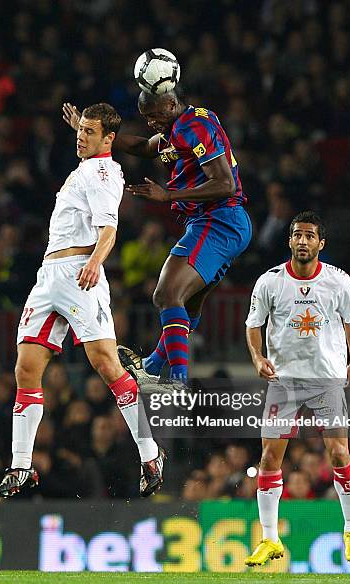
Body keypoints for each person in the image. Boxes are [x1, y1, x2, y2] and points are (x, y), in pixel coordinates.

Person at [0, 103, 165, 500]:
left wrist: (94, 263)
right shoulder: (88, 166)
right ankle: (21, 465)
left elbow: (109, 229)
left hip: (78, 272)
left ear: (109, 139)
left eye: (90, 131)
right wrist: (86, 129)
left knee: (106, 365)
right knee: (25, 369)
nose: (80, 136)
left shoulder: (105, 173)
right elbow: (92, 144)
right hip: (48, 277)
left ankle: (150, 454)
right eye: (80, 129)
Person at [63, 91, 252, 383]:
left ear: (172, 104)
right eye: (147, 117)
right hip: (213, 222)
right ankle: (152, 366)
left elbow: (225, 183)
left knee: (165, 294)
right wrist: (88, 130)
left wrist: (169, 194)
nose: (151, 122)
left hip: (219, 219)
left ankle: (177, 380)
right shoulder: (172, 133)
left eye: (155, 114)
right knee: (185, 306)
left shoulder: (195, 125)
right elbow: (141, 145)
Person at [244, 210, 350, 566]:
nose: (302, 241)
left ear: (320, 244)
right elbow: (254, 325)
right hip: (284, 380)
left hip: (326, 378)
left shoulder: (339, 282)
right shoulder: (270, 282)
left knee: (339, 453)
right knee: (269, 458)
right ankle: (269, 539)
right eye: (297, 235)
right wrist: (257, 357)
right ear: (290, 240)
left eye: (310, 236)